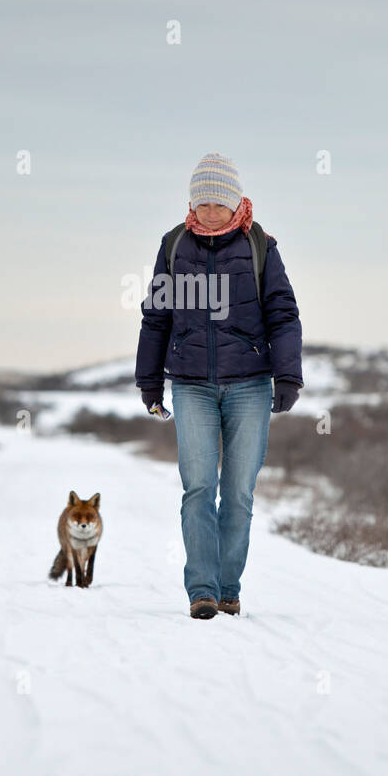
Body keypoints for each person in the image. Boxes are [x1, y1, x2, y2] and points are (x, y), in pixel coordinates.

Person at [135, 152, 303, 619]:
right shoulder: (174, 245)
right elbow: (156, 319)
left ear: (235, 203)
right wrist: (149, 381)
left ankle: (229, 587)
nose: (209, 212)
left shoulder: (260, 247)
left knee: (240, 493)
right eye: (202, 203)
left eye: (218, 203)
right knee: (197, 489)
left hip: (250, 385)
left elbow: (284, 315)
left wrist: (288, 374)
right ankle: (203, 590)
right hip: (191, 387)